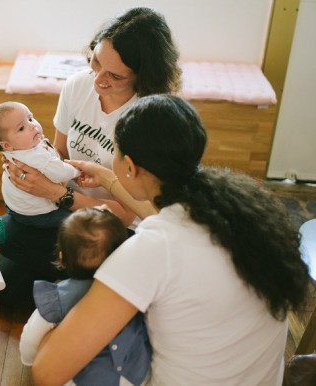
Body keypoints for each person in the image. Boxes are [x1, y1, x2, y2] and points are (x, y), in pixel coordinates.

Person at [30, 94, 310, 385]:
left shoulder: (152, 248)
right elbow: (159, 211)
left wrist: (51, 326)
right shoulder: (240, 212)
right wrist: (108, 179)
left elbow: (47, 371)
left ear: (130, 166)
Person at [0, 7, 182, 306]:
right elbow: (60, 152)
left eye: (115, 75)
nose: (98, 79)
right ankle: (81, 288)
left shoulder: (150, 118)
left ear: (143, 77)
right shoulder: (78, 85)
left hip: (116, 227)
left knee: (15, 254)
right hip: (68, 212)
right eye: (96, 61)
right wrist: (29, 163)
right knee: (7, 285)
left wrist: (57, 193)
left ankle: (88, 290)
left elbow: (126, 213)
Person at [20, 207, 151, 386]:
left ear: (62, 257)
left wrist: (29, 361)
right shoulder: (133, 291)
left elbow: (30, 338)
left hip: (86, 379)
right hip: (134, 373)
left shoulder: (58, 299)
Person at [0, 101, 80, 228]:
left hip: (15, 207)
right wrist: (78, 171)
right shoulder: (34, 156)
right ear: (7, 145)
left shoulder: (18, 149)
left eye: (30, 118)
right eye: (21, 128)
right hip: (37, 214)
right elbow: (61, 173)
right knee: (76, 222)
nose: (32, 126)